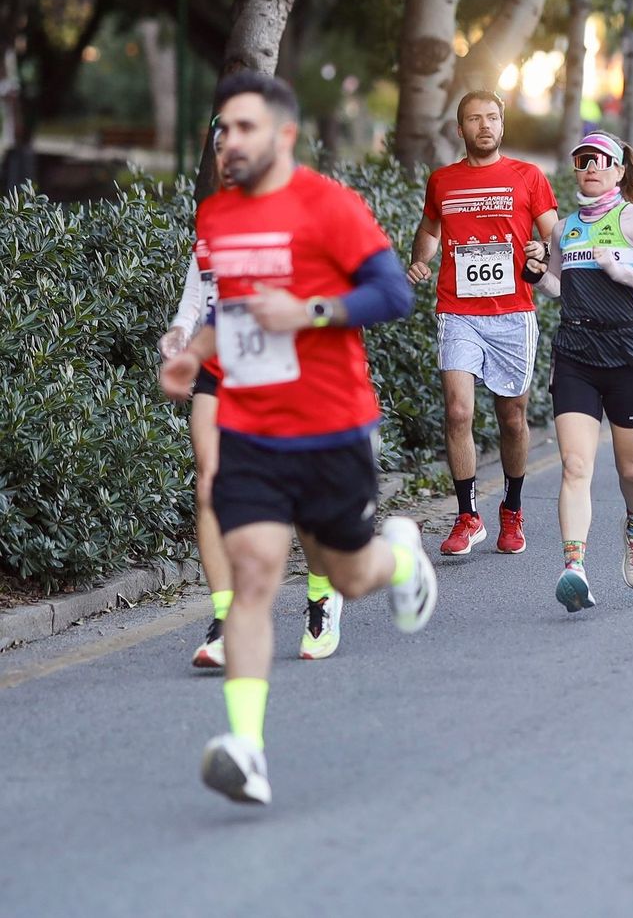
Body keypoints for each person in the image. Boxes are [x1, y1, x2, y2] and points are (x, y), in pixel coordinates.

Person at [158, 72, 436, 805]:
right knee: (251, 575)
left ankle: (401, 560)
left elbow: (394, 292)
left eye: (243, 128)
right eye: (221, 129)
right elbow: (237, 312)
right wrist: (193, 348)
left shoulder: (328, 206)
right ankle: (246, 747)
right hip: (251, 424)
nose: (228, 141)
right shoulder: (217, 217)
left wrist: (312, 310)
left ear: (282, 135)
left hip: (331, 425)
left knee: (348, 575)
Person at [407, 91, 559, 557]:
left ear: (502, 125)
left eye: (492, 117)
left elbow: (554, 233)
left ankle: (511, 510)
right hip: (458, 312)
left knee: (511, 417)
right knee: (458, 412)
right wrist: (420, 260)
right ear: (461, 129)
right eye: (474, 119)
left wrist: (541, 251)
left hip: (513, 312)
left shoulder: (528, 176)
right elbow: (431, 229)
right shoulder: (443, 181)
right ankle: (468, 516)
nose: (484, 125)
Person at [535, 132, 633, 613]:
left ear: (619, 171)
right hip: (575, 351)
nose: (590, 168)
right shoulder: (565, 228)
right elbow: (558, 287)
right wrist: (536, 274)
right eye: (582, 161)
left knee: (631, 470)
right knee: (575, 466)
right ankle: (573, 566)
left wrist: (623, 274)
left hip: (628, 353)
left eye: (600, 161)